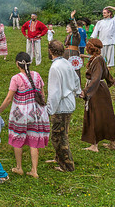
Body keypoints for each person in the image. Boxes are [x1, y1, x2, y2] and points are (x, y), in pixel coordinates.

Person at [0, 52, 49, 178]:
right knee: (33, 140)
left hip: (21, 113)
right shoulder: (37, 75)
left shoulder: (16, 78)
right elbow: (42, 94)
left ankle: (19, 167)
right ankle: (34, 170)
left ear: (17, 64)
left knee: (17, 139)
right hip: (36, 112)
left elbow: (9, 98)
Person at [46, 41, 81, 172]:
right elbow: (76, 79)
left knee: (58, 136)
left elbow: (55, 92)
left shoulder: (55, 68)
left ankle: (67, 165)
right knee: (63, 133)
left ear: (50, 51)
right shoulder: (67, 63)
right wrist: (77, 91)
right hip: (69, 102)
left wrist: (49, 109)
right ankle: (58, 158)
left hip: (61, 106)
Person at [80, 39, 115, 152]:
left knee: (94, 115)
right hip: (102, 90)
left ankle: (94, 145)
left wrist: (86, 91)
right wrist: (111, 81)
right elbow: (106, 73)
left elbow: (96, 78)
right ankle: (114, 143)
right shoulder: (99, 59)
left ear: (90, 48)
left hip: (97, 91)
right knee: (106, 115)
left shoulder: (97, 60)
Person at [63, 11, 82, 81]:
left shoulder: (76, 35)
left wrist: (72, 18)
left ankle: (76, 86)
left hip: (73, 54)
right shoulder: (68, 36)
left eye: (68, 27)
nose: (66, 29)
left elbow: (75, 28)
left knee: (75, 69)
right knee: (66, 69)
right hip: (66, 54)